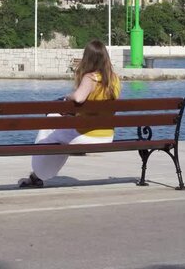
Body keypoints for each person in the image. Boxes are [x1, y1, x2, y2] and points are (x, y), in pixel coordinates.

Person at [19, 39, 121, 187]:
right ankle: (40, 174)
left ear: (88, 58)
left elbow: (79, 98)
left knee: (49, 127)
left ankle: (37, 176)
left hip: (87, 136)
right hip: (107, 136)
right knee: (58, 133)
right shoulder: (114, 79)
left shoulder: (90, 78)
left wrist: (68, 96)